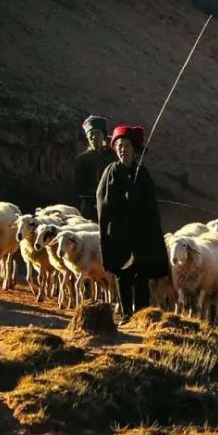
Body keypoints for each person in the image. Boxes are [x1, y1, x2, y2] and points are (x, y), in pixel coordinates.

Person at [96, 124, 169, 319]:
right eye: (119, 146)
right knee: (123, 276)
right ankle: (127, 314)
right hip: (120, 235)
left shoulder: (142, 173)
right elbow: (104, 203)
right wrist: (125, 199)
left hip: (140, 235)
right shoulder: (111, 172)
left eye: (126, 146)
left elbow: (150, 206)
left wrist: (137, 200)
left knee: (142, 276)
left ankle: (142, 315)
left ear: (134, 149)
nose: (122, 150)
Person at [74, 115, 114, 221]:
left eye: (97, 133)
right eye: (91, 134)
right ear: (87, 136)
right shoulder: (82, 159)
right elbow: (80, 186)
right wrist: (100, 193)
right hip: (90, 207)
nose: (94, 137)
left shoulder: (113, 156)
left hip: (112, 206)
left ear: (104, 135)